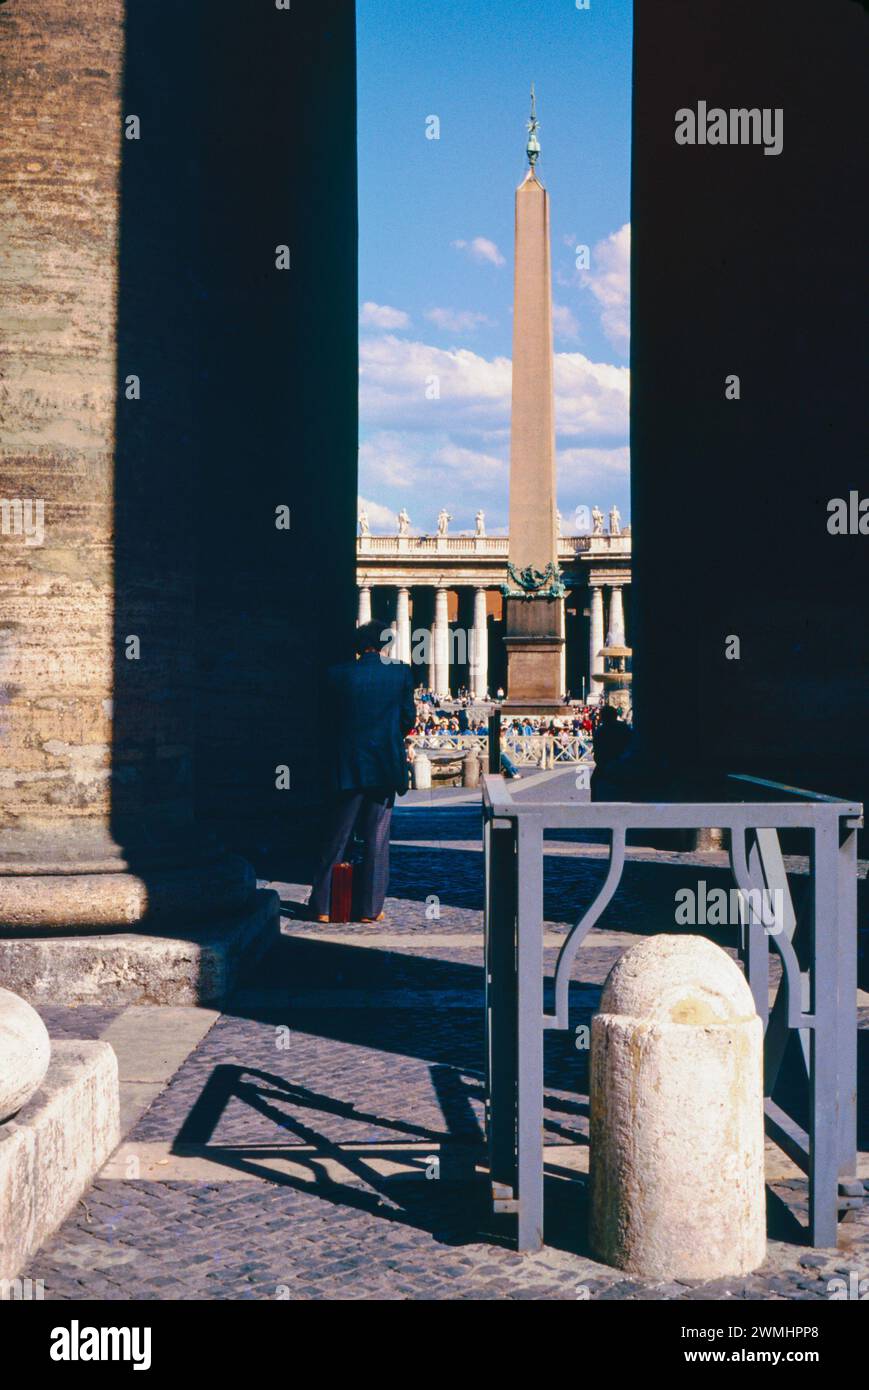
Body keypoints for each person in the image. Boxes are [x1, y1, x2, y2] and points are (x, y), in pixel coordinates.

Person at [308, 619, 415, 924]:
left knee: (336, 837)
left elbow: (325, 721)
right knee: (376, 839)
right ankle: (369, 909)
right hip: (383, 766)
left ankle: (323, 907)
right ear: (385, 643)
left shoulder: (337, 675)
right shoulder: (400, 673)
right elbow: (408, 718)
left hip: (346, 765)